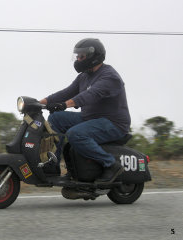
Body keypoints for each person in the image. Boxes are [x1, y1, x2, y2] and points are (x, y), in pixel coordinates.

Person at [39, 38, 131, 183]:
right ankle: (52, 165)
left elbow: (90, 95)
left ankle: (111, 165)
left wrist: (65, 104)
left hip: (113, 123)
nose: (77, 59)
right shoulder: (84, 76)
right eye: (77, 56)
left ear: (93, 56)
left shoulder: (110, 76)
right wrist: (38, 103)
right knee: (56, 118)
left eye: (81, 56)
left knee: (75, 134)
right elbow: (66, 93)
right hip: (91, 118)